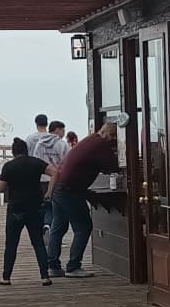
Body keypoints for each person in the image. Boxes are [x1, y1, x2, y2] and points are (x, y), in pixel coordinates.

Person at [46, 117, 120, 277]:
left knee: (58, 227)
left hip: (59, 186)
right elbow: (113, 166)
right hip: (71, 190)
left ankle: (52, 266)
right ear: (112, 135)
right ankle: (73, 266)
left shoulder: (91, 139)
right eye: (115, 137)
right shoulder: (101, 145)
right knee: (83, 227)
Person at [0, 138, 54, 286]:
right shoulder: (36, 162)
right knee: (38, 243)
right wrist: (49, 192)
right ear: (26, 149)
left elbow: (0, 189)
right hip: (35, 207)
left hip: (16, 209)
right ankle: (45, 276)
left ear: (13, 152)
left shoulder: (9, 166)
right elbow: (55, 172)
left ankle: (6, 277)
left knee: (11, 244)